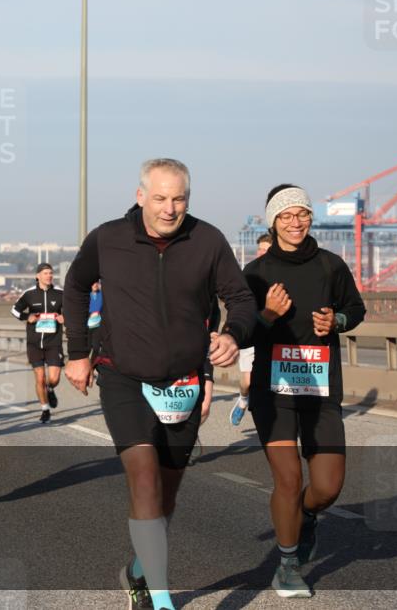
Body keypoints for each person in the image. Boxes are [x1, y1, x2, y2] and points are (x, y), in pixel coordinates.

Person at [63, 159, 256, 610]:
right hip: (122, 376)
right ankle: (162, 600)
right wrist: (77, 354)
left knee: (166, 495)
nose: (170, 209)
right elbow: (75, 285)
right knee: (145, 481)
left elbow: (241, 299)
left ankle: (136, 570)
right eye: (161, 198)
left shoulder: (207, 239)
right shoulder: (108, 238)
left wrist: (233, 335)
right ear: (140, 196)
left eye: (179, 199)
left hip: (184, 382)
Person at [243, 185, 364, 599]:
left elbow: (357, 310)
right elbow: (240, 333)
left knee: (328, 486)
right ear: (272, 222)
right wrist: (266, 314)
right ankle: (288, 565)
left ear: (310, 217)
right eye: (286, 216)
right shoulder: (256, 274)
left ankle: (307, 516)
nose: (295, 223)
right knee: (290, 479)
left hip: (320, 386)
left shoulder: (331, 266)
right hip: (272, 391)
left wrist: (339, 319)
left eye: (302, 214)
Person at [10, 263, 65, 423]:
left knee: (54, 378)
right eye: (46, 273)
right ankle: (45, 409)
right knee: (39, 378)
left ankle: (50, 388)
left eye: (51, 273)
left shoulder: (60, 294)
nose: (49, 276)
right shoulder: (29, 294)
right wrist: (27, 317)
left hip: (53, 342)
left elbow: (71, 309)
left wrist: (65, 317)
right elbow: (14, 309)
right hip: (34, 343)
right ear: (38, 276)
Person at [231, 233, 273, 426]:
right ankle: (243, 400)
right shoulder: (249, 273)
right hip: (253, 331)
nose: (262, 253)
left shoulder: (281, 272)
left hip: (274, 335)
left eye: (267, 249)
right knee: (248, 381)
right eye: (260, 249)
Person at [88, 281, 103, 361]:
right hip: (87, 325)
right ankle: (85, 369)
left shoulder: (102, 294)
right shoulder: (86, 295)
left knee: (96, 348)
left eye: (97, 282)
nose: (95, 285)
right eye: (93, 283)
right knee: (87, 348)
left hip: (98, 324)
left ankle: (91, 367)